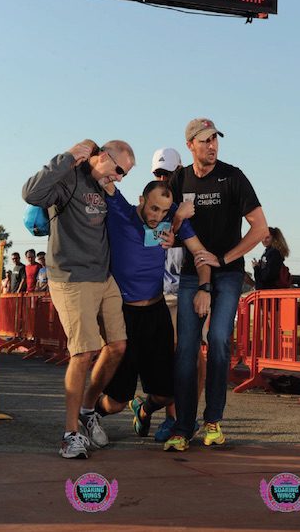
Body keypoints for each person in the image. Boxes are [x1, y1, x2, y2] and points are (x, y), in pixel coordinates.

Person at [22, 139, 134, 459]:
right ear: (103, 157)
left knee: (117, 346)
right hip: (72, 277)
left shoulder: (104, 187)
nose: (120, 177)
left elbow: (129, 219)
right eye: (118, 170)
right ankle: (69, 434)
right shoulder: (69, 177)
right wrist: (68, 157)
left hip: (103, 276)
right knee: (83, 353)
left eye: (125, 174)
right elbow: (31, 193)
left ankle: (87, 411)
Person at [165, 118, 269, 452]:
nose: (212, 145)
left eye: (215, 140)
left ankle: (213, 420)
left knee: (221, 339)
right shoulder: (178, 179)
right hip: (189, 274)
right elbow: (157, 235)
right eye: (205, 140)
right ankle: (182, 426)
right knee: (185, 351)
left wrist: (223, 259)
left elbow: (259, 228)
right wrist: (179, 217)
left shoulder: (233, 177)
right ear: (190, 145)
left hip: (227, 273)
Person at [95, 180, 211, 441]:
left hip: (155, 313)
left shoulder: (172, 221)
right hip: (123, 314)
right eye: (154, 209)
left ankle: (144, 408)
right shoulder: (121, 211)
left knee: (167, 393)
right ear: (141, 200)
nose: (158, 216)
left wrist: (205, 285)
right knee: (115, 402)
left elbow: (199, 252)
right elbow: (104, 177)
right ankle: (89, 413)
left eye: (164, 211)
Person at [151, 147, 204, 442]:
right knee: (174, 358)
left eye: (167, 173)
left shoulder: (192, 203)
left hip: (190, 287)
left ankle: (184, 416)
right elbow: (151, 242)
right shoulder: (151, 205)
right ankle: (171, 417)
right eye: (158, 173)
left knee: (195, 358)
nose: (162, 178)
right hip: (162, 293)